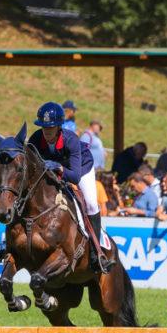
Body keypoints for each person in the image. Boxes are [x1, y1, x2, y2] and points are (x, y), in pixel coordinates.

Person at [28, 101, 110, 273]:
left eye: (50, 128)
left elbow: (74, 176)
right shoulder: (35, 139)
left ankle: (97, 252)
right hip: (53, 171)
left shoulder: (70, 139)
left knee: (91, 203)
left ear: (59, 127)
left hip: (81, 168)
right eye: (44, 128)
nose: (46, 132)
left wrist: (58, 167)